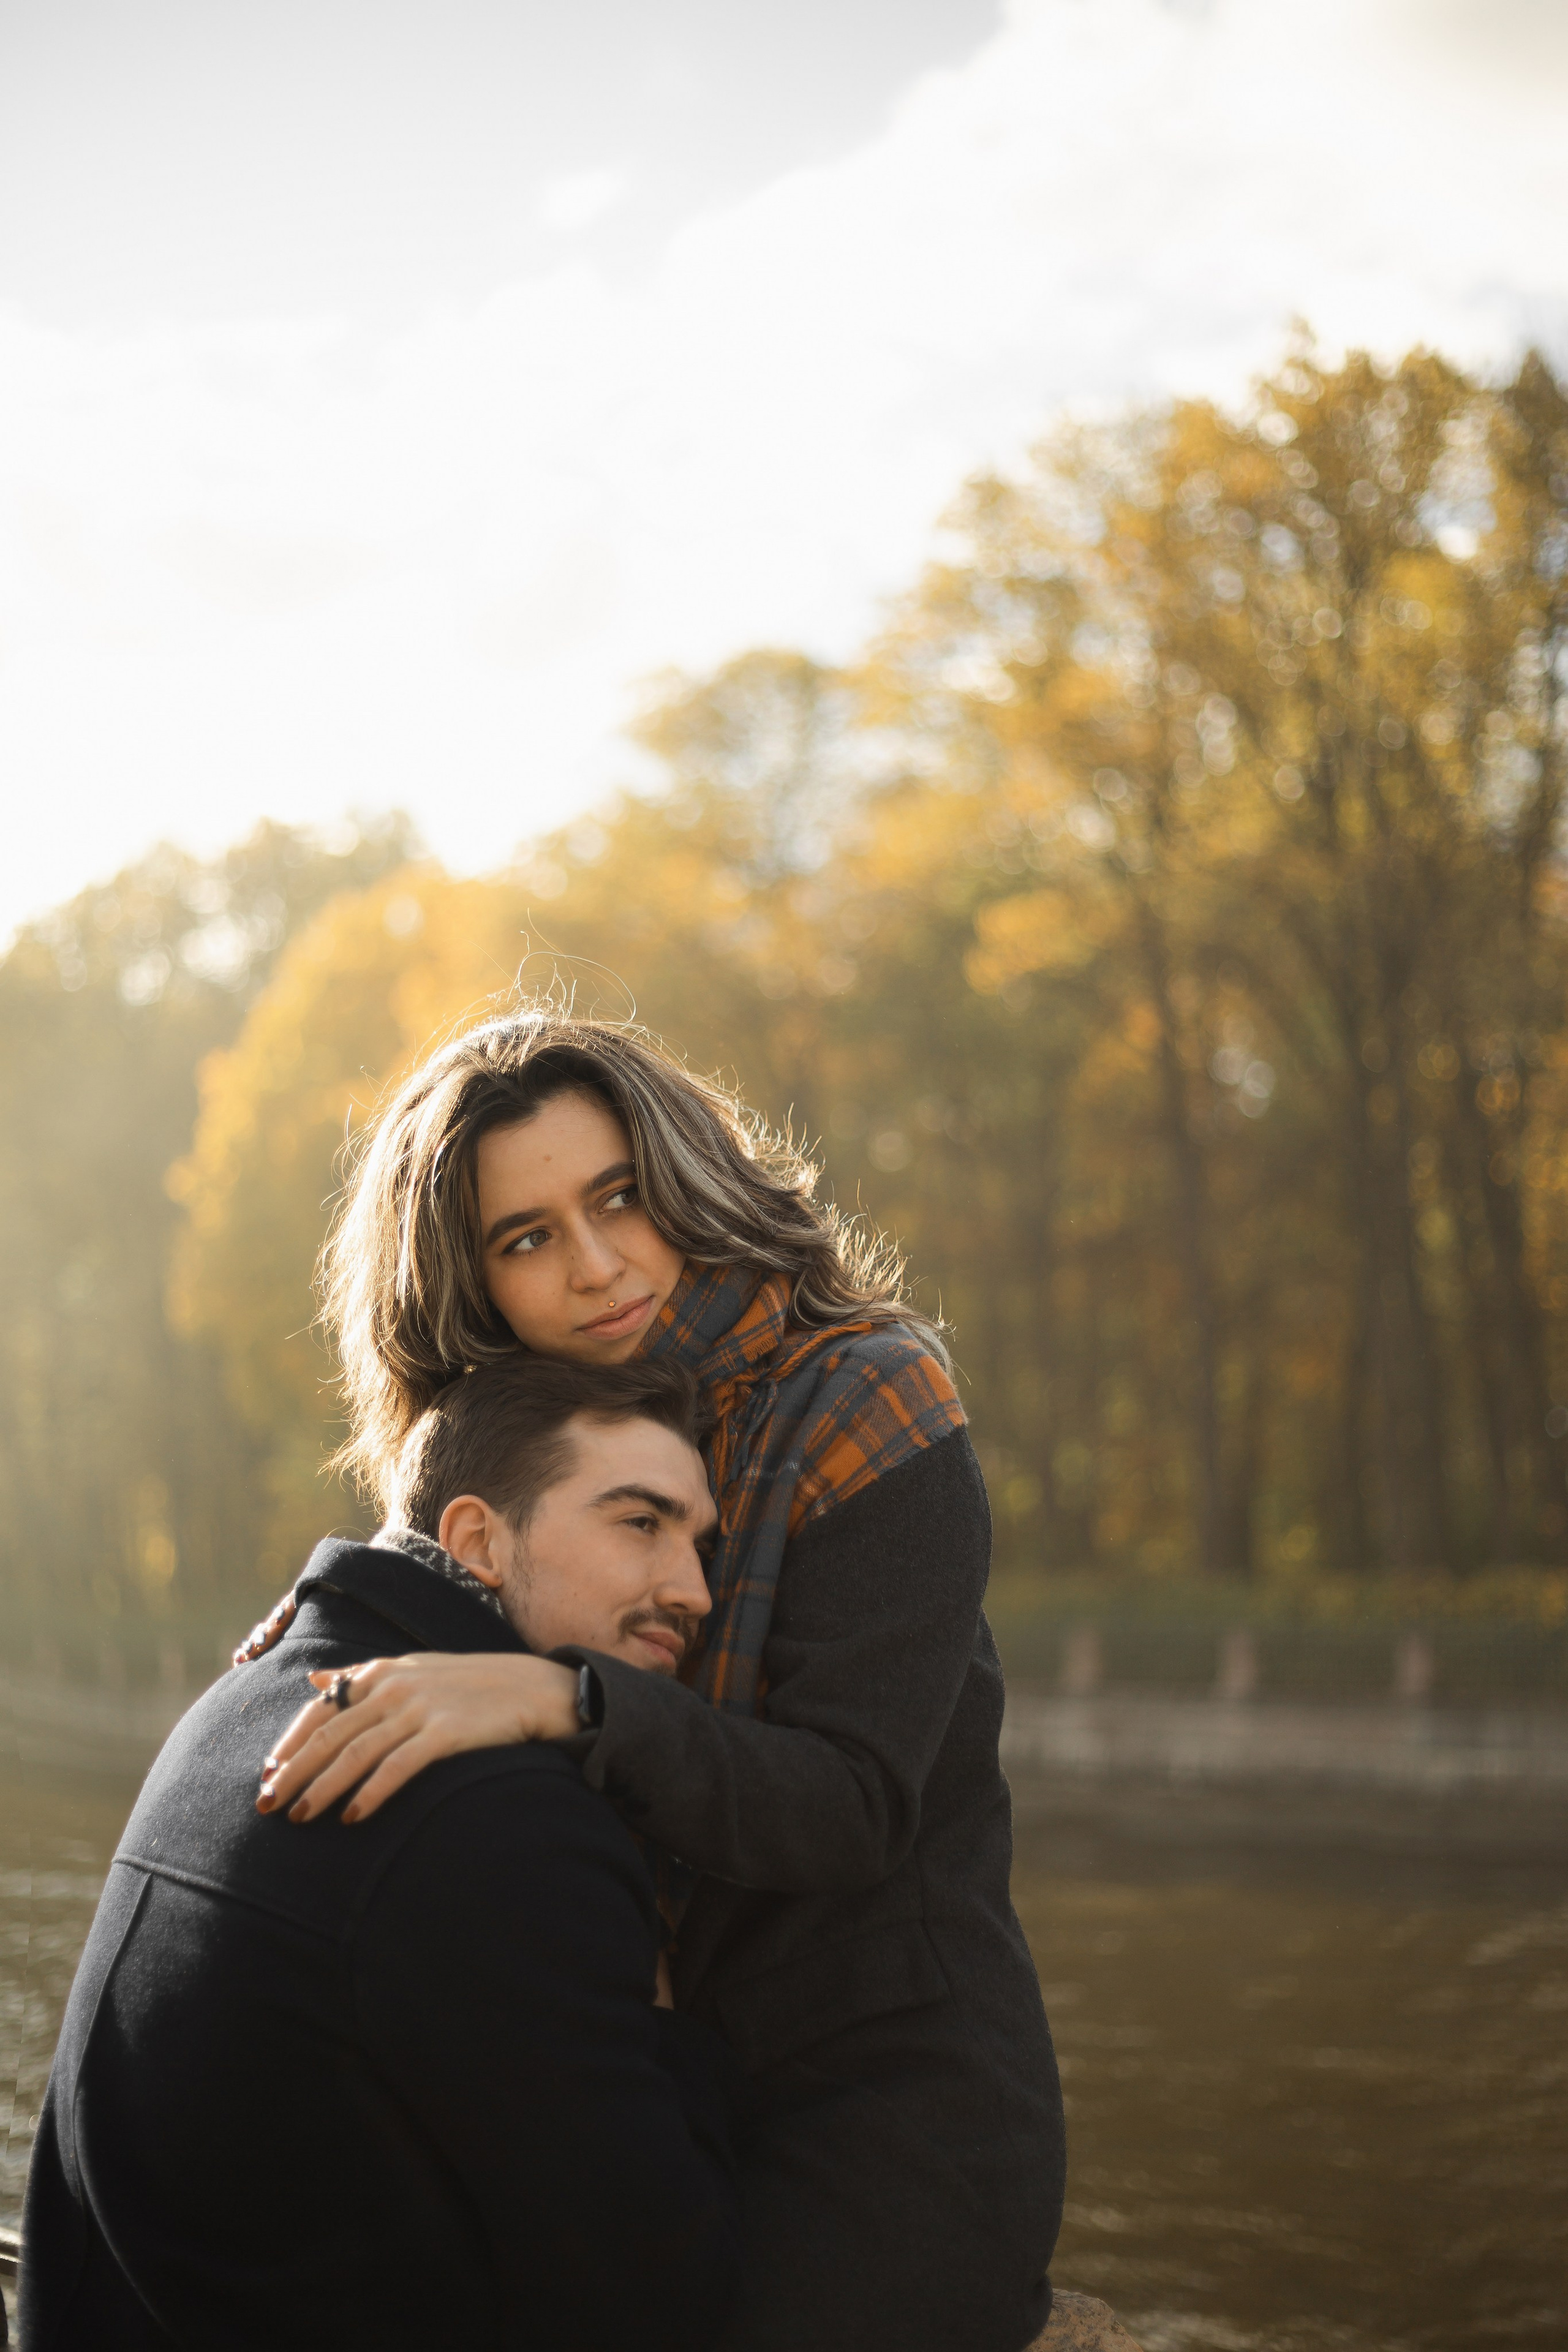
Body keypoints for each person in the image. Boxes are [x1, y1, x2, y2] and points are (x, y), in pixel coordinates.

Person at [258, 1009, 1067, 2352]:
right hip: (639, 2083)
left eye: (617, 1197)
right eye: (526, 1240)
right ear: (473, 1292)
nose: (596, 1266)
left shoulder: (874, 1396)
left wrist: (565, 1701)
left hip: (887, 2105)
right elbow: (426, 1599)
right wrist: (337, 1621)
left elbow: (850, 1803)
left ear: (677, 1170)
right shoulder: (536, 1449)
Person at [20, 1357, 741, 2352]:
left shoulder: (244, 1700)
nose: (695, 1589)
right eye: (641, 1523)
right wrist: (665, 1997)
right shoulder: (502, 1818)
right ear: (478, 1539)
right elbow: (665, 2299)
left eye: (700, 1542)